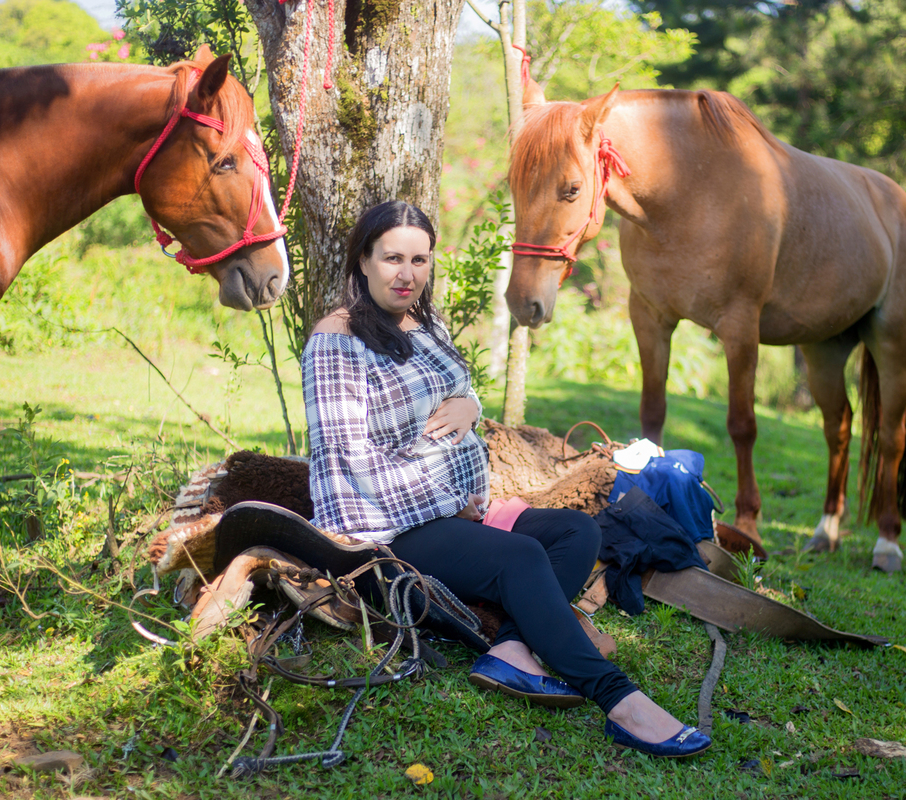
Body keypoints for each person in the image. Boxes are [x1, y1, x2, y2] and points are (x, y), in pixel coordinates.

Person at [300, 200, 711, 758]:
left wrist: (469, 405)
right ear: (363, 261)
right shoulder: (337, 341)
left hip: (454, 507)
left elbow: (458, 389)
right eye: (392, 258)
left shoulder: (426, 323)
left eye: (419, 260)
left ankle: (511, 649)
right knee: (520, 559)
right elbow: (348, 462)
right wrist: (451, 499)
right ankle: (621, 701)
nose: (407, 274)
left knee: (578, 533)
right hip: (385, 527)